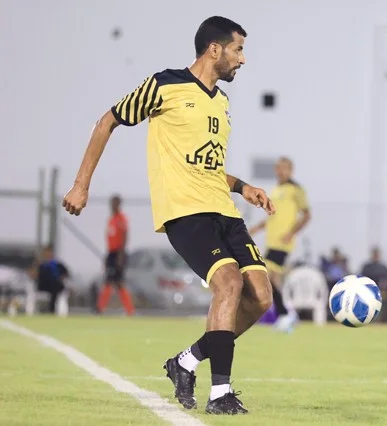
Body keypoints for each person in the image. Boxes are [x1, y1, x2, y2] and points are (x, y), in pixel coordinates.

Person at [62, 16, 275, 415]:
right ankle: (220, 394)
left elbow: (209, 168)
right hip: (185, 212)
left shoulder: (223, 103)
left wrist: (243, 186)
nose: (243, 60)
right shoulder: (165, 84)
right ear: (215, 49)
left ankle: (187, 362)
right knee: (228, 283)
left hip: (223, 209)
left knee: (261, 296)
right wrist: (81, 184)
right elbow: (107, 121)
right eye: (238, 49)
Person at [249, 157, 311, 333]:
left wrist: (291, 233)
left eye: (284, 168)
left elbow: (306, 215)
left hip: (283, 243)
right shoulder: (275, 190)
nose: (280, 171)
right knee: (274, 280)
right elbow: (272, 216)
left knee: (266, 276)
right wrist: (257, 228)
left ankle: (285, 314)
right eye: (278, 168)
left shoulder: (295, 190)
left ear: (291, 170)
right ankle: (286, 316)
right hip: (271, 241)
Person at [96, 195, 135, 315]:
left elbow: (124, 235)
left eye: (115, 203)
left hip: (118, 253)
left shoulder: (121, 219)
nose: (112, 206)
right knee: (113, 282)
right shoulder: (111, 219)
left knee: (115, 282)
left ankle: (128, 310)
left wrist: (120, 255)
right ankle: (101, 308)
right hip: (111, 253)